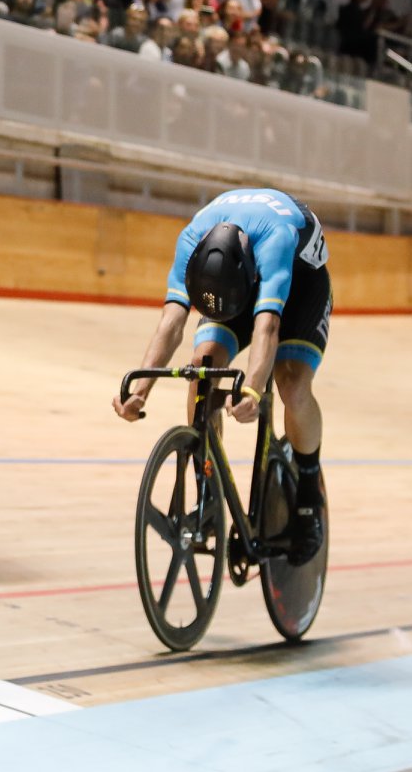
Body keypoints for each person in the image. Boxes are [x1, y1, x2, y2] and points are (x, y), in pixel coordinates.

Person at [112, 188, 332, 564]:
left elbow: (268, 327)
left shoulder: (276, 239)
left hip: (301, 289)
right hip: (231, 285)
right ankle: (207, 489)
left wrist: (252, 390)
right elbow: (171, 322)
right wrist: (142, 390)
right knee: (202, 367)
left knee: (292, 385)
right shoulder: (192, 238)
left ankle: (309, 497)